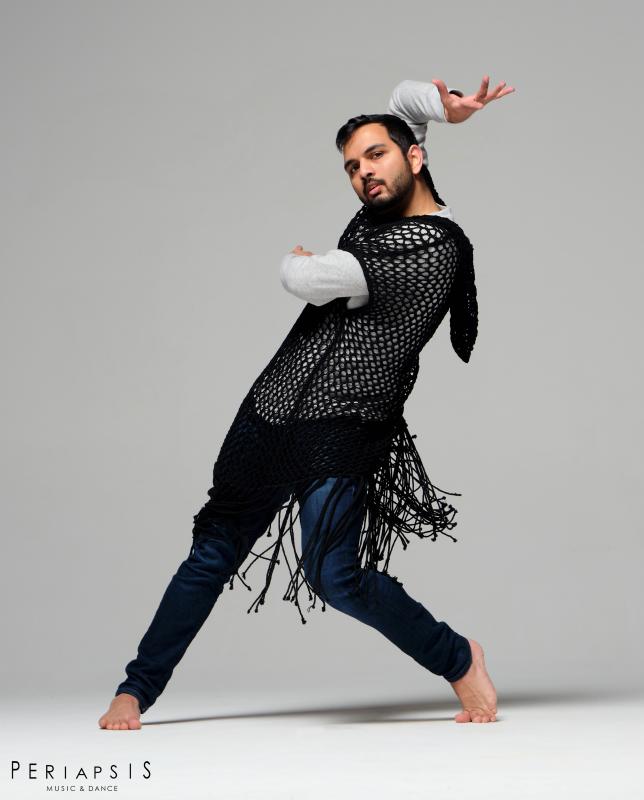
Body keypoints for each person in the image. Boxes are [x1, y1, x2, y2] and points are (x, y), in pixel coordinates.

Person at [99, 75, 515, 731]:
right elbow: (405, 104)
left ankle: (459, 658)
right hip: (269, 415)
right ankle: (136, 689)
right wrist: (445, 107)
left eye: (375, 156)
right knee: (212, 550)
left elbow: (310, 277)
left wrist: (301, 262)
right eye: (352, 166)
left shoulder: (433, 246)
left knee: (334, 575)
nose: (363, 174)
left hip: (342, 428)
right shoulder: (381, 210)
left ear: (415, 158)